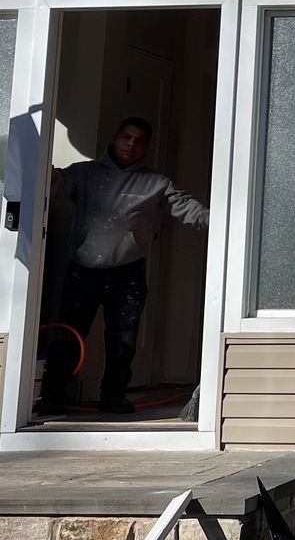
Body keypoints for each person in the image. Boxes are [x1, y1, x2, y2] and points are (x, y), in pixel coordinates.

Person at [38, 117, 209, 415]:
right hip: (84, 266)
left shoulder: (156, 183)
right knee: (68, 334)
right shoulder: (85, 173)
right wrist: (39, 171)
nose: (132, 144)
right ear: (115, 138)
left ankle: (114, 395)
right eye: (127, 137)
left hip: (127, 271)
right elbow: (50, 184)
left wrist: (224, 220)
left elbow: (187, 209)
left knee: (123, 339)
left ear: (147, 148)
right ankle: (54, 395)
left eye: (140, 140)